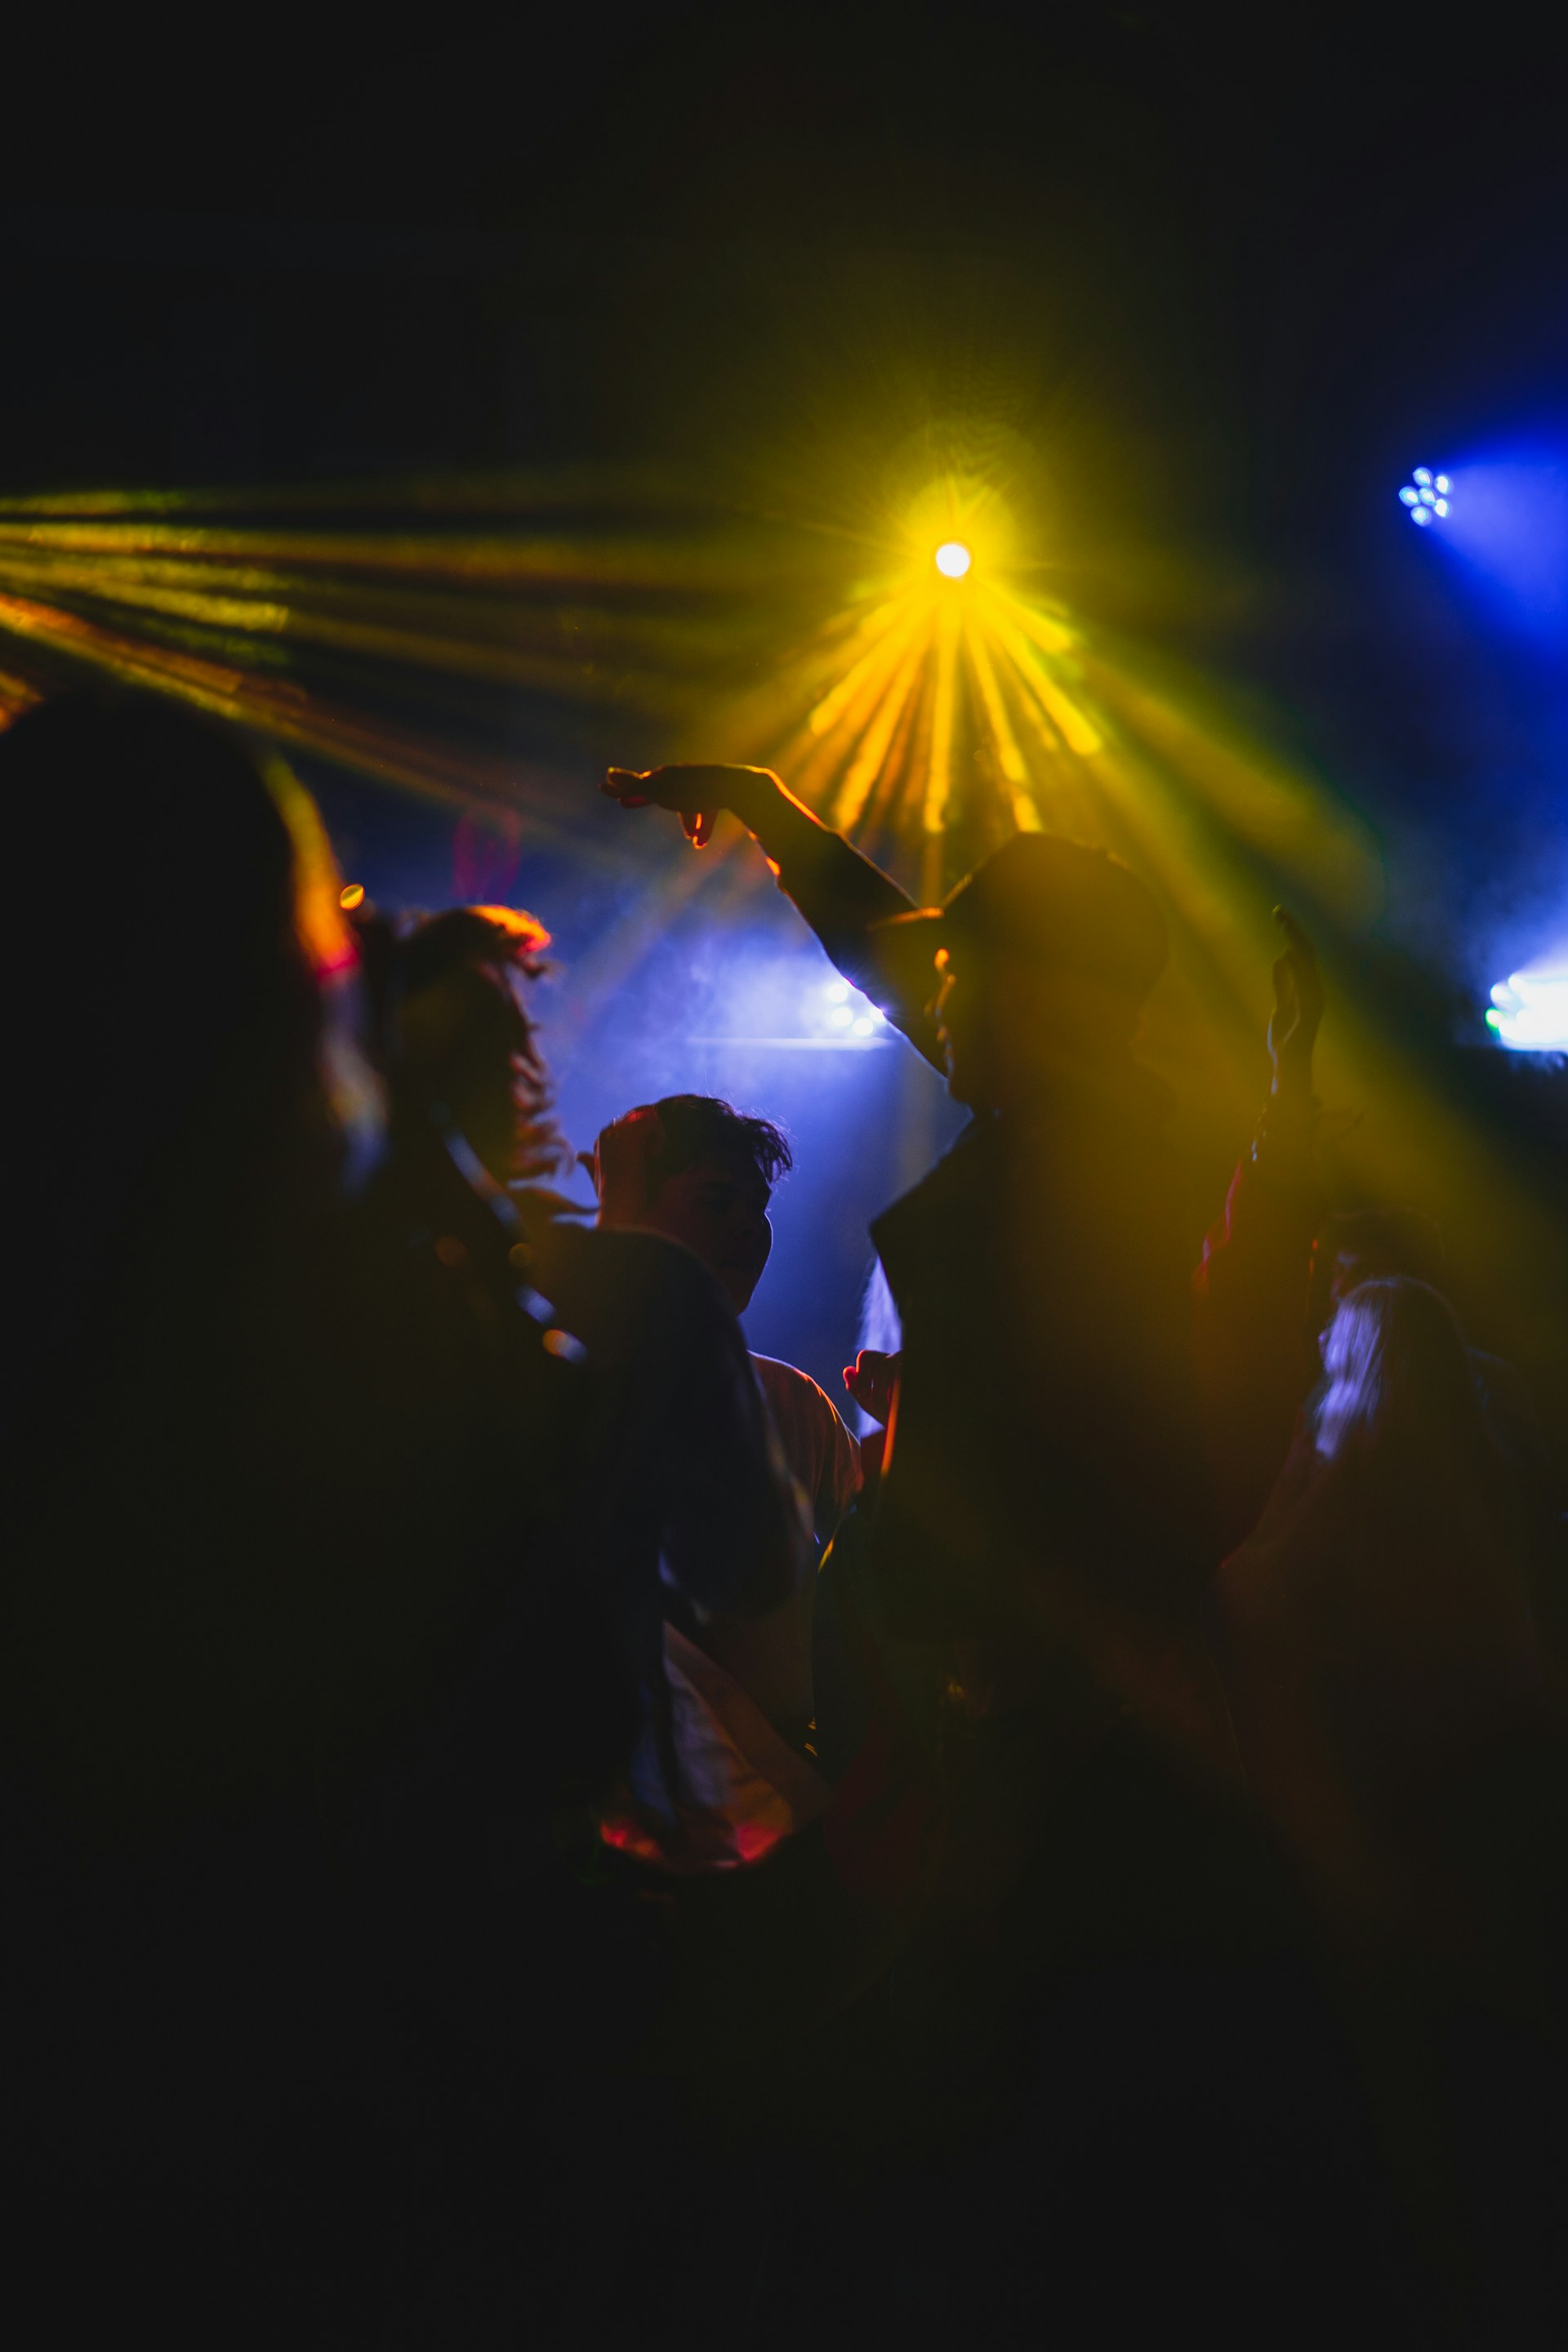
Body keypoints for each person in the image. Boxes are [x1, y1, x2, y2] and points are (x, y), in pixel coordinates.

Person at [588, 1092, 859, 1864]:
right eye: (715, 1201)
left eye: (758, 1207)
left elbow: (860, 1592)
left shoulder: (791, 1401)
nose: (746, 1227)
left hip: (778, 1806)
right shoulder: (570, 1368)